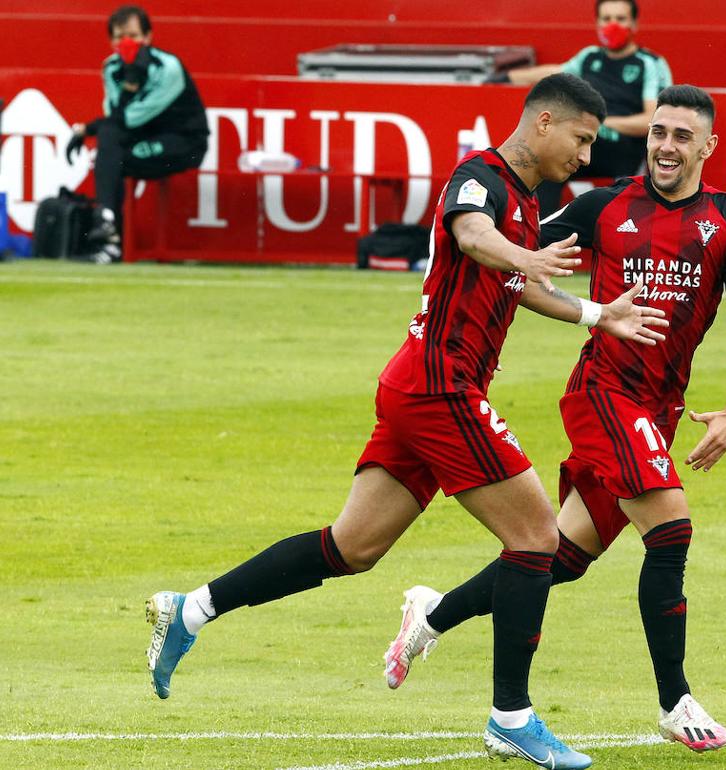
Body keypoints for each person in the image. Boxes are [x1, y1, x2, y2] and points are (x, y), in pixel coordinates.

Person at [144, 73, 668, 770]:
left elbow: (523, 283)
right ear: (544, 123)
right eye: (581, 140)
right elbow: (475, 238)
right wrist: (524, 256)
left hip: (422, 385)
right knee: (537, 539)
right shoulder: (479, 179)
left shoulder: (528, 198)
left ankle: (190, 611)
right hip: (439, 388)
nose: (584, 155)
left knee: (352, 547)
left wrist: (599, 314)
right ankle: (512, 717)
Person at [382, 84, 726, 754]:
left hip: (658, 410)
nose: (667, 146)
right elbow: (516, 260)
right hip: (602, 393)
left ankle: (431, 615)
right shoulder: (601, 204)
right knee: (670, 529)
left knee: (556, 558)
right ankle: (675, 701)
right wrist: (569, 301)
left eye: (682, 136)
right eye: (658, 133)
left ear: (708, 146)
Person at [493, 0, 672, 217]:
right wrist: (508, 77)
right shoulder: (589, 57)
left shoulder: (650, 63)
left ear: (634, 24)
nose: (612, 25)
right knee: (546, 157)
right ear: (597, 23)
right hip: (584, 147)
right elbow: (556, 73)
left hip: (623, 154)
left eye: (620, 19)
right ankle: (537, 232)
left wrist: (602, 123)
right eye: (606, 19)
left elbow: (652, 121)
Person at [66, 5, 209, 262]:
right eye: (119, 37)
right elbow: (114, 118)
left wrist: (87, 128)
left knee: (110, 155)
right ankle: (109, 228)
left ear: (148, 37)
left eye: (132, 36)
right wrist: (129, 79)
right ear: (111, 41)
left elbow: (133, 118)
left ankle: (109, 235)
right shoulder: (111, 68)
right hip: (141, 141)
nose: (126, 42)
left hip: (182, 143)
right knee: (110, 150)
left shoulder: (168, 67)